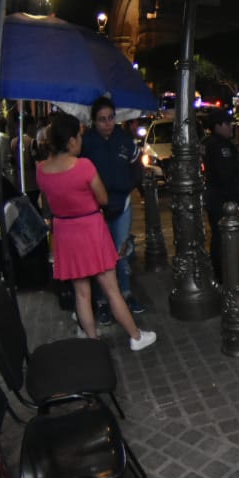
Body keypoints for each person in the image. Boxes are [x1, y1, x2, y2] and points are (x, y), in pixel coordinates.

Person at [37, 112, 156, 352]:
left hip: (64, 231)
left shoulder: (42, 170)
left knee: (82, 293)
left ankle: (93, 343)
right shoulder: (83, 166)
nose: (81, 141)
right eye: (79, 136)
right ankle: (135, 336)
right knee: (112, 289)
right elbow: (102, 198)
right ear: (71, 140)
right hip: (90, 228)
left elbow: (47, 201)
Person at [80, 96, 147, 321]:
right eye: (102, 119)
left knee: (122, 253)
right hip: (95, 209)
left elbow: (137, 166)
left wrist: (130, 186)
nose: (107, 123)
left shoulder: (124, 139)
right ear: (94, 121)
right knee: (100, 256)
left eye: (110, 118)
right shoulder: (86, 143)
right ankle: (102, 301)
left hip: (122, 205)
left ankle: (126, 294)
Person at [202, 108, 239, 281]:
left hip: (214, 197)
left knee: (219, 236)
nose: (231, 127)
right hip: (222, 199)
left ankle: (222, 272)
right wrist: (237, 202)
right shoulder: (220, 146)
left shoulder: (209, 143)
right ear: (218, 126)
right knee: (223, 237)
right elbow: (227, 177)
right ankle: (225, 274)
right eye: (227, 124)